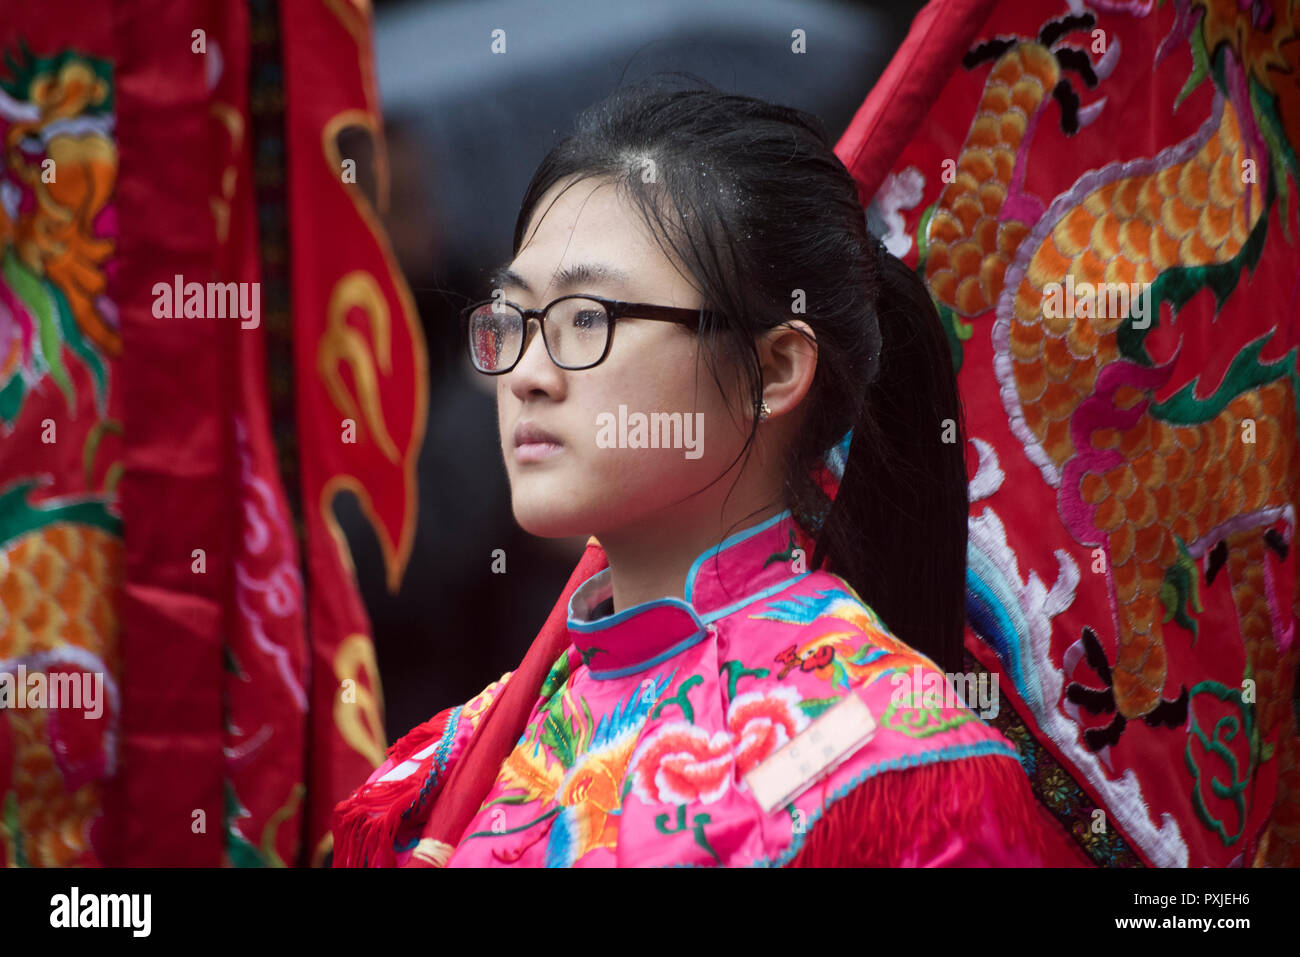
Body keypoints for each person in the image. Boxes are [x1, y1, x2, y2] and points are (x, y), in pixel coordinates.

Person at [332, 76, 1075, 867]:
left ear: (777, 368)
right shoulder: (466, 754)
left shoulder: (886, 758)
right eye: (514, 318)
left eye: (587, 317)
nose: (525, 375)